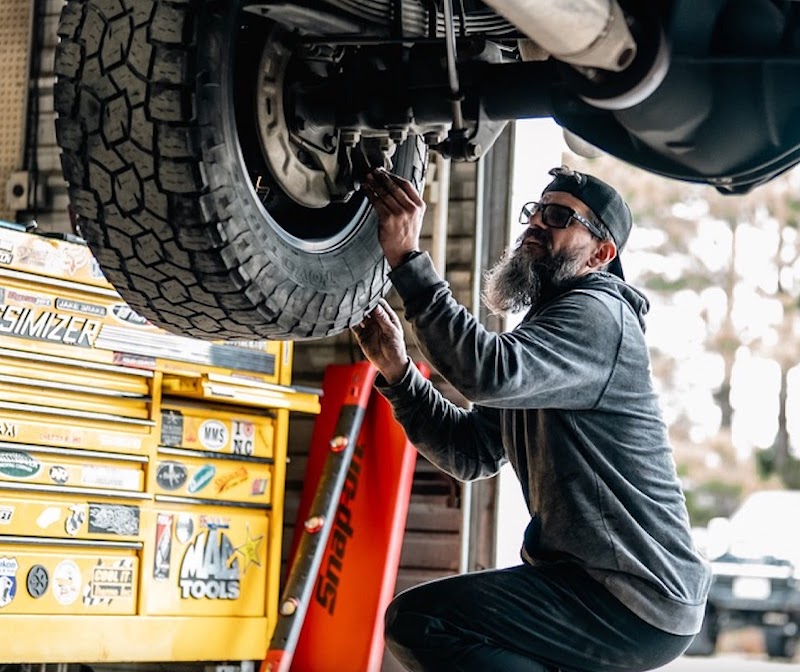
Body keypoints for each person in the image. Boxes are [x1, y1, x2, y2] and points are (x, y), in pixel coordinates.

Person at [352, 165, 712, 672]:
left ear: (601, 254)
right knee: (430, 622)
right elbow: (470, 451)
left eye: (561, 216)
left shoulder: (598, 315)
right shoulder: (547, 332)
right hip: (593, 583)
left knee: (426, 621)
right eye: (537, 210)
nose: (538, 222)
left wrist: (408, 259)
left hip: (632, 591)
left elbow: (485, 372)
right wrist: (396, 372)